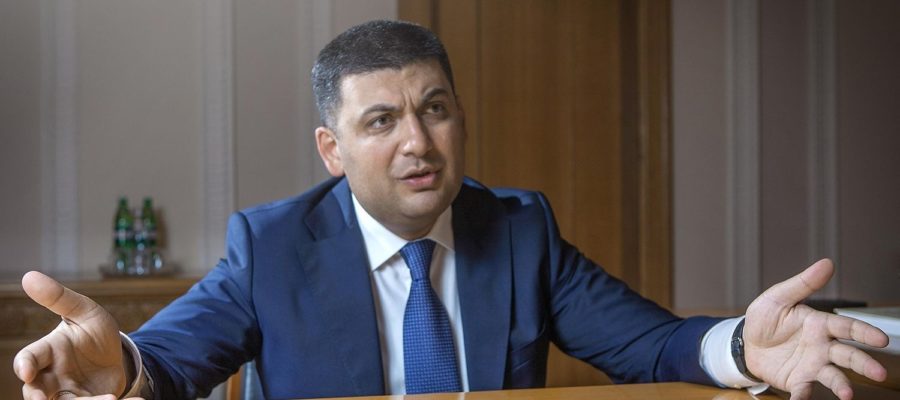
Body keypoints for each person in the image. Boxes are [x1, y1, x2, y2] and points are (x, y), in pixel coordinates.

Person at [15, 20, 888, 400]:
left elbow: (649, 344)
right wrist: (121, 370)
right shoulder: (272, 244)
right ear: (332, 149)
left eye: (435, 109)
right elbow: (172, 360)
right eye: (381, 122)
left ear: (460, 118)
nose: (418, 143)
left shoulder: (520, 228)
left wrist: (741, 347)